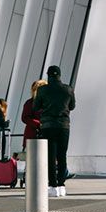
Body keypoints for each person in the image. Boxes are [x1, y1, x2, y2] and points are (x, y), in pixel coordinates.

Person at [35, 65, 76, 196]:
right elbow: (72, 106)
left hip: (48, 126)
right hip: (64, 126)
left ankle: (52, 186)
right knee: (62, 155)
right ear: (59, 75)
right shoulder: (68, 89)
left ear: (48, 75)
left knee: (51, 157)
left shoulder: (42, 90)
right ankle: (61, 185)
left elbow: (36, 107)